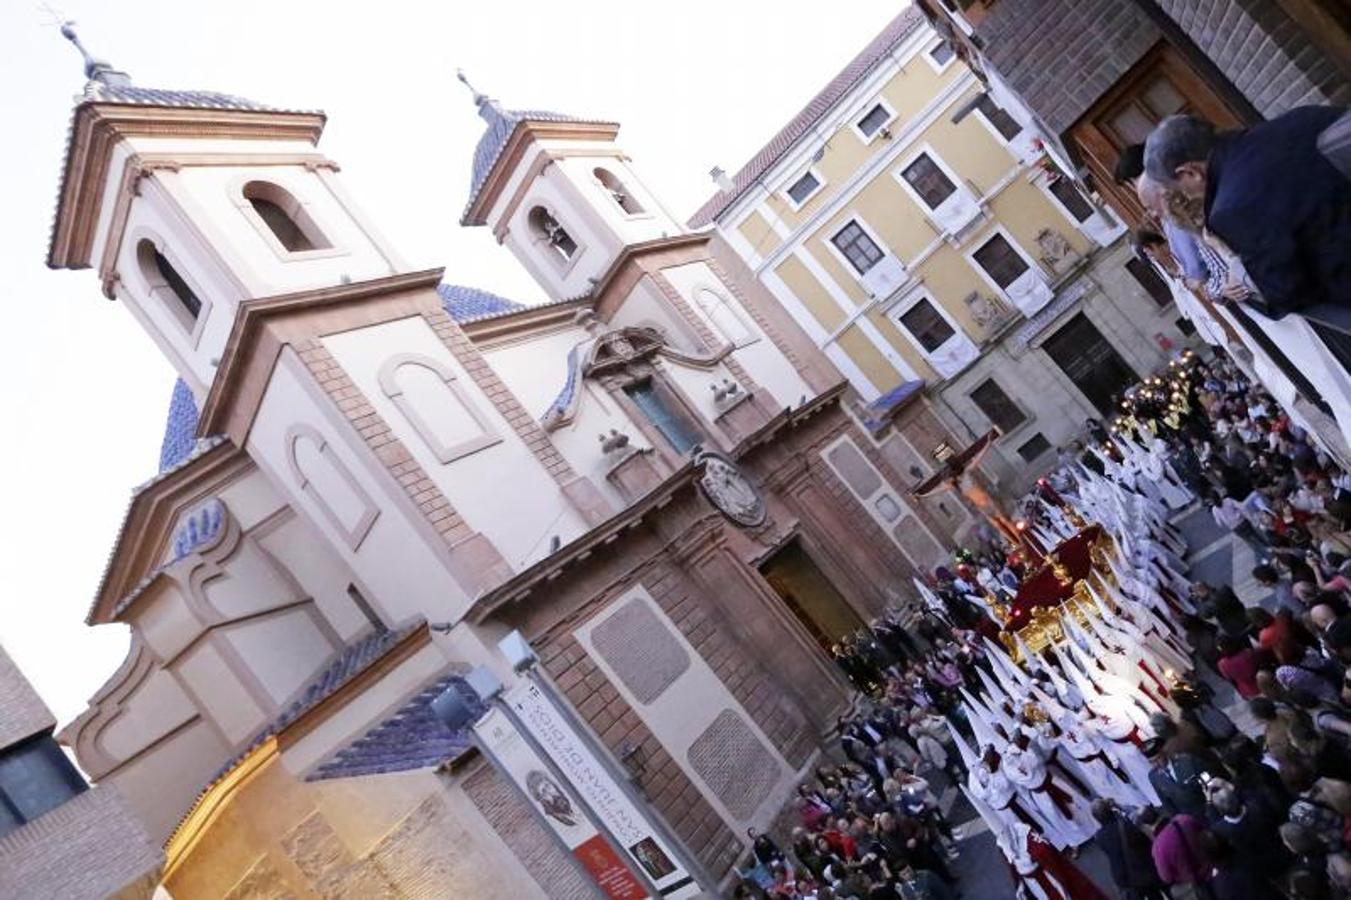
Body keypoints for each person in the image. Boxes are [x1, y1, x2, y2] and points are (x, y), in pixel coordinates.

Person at [1143, 109, 1351, 317]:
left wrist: (1238, 269)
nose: (1187, 197)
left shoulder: (1230, 210)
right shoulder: (1302, 116)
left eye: (1180, 189)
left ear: (1190, 172)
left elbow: (1287, 291)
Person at [1091, 800, 1168, 900]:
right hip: (1142, 871)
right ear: (1110, 810)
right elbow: (1146, 843)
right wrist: (1118, 806)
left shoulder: (1099, 837)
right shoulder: (1126, 825)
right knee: (1154, 895)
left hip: (1124, 877)